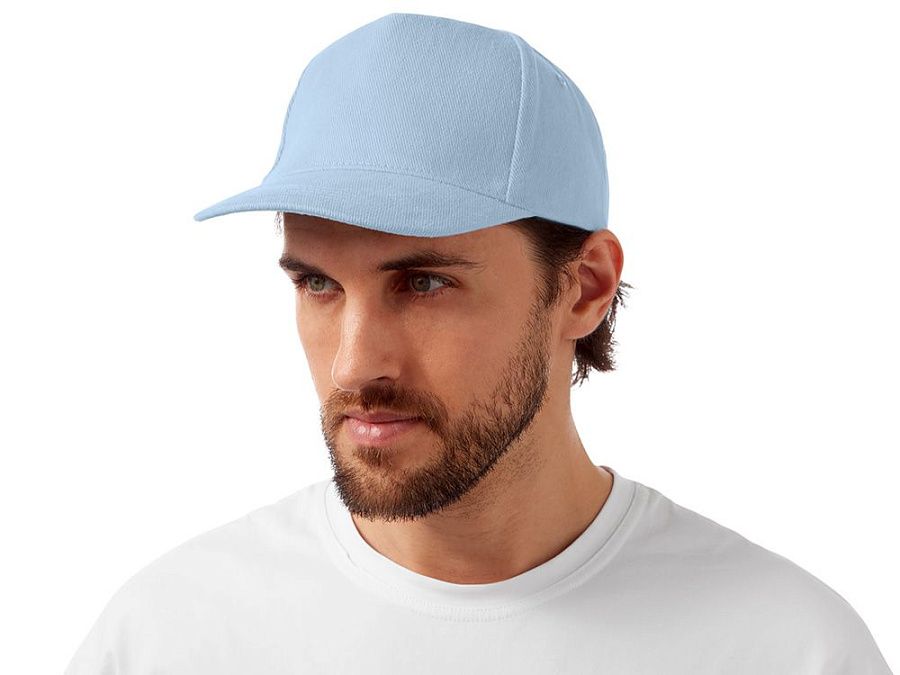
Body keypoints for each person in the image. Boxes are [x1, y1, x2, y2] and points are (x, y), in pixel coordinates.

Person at [64, 12, 892, 674]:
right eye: (318, 283)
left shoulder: (785, 648)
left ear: (585, 287)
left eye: (423, 283)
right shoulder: (171, 636)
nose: (354, 364)